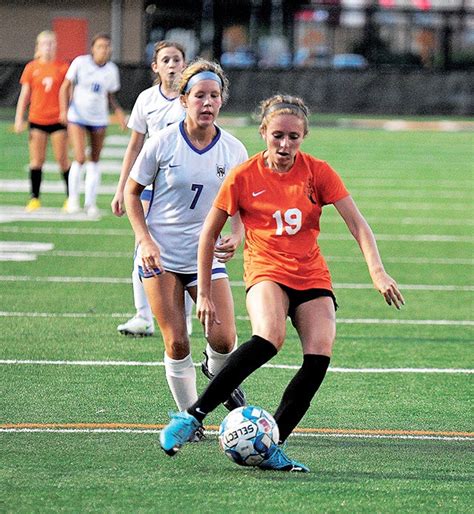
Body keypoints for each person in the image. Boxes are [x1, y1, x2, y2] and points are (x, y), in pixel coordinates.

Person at [159, 94, 405, 472]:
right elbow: (208, 234)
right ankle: (192, 415)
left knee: (319, 355)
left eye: (293, 137)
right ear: (263, 133)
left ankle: (273, 445)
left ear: (304, 136)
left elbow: (358, 223)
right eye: (277, 136)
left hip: (311, 273)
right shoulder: (243, 176)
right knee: (269, 337)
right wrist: (205, 293)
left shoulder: (318, 171)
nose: (285, 144)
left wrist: (377, 271)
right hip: (266, 269)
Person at [124, 59, 249, 429]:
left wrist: (238, 233)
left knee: (225, 339)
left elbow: (242, 205)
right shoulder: (161, 143)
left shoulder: (234, 150)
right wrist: (144, 240)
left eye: (214, 95)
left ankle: (213, 367)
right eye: (199, 96)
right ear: (183, 99)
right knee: (177, 343)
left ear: (222, 100)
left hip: (206, 257)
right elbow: (132, 194)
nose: (207, 102)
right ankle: (189, 417)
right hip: (160, 255)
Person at [111, 40, 191, 338]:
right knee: (142, 246)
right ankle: (142, 316)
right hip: (149, 184)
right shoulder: (146, 99)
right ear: (156, 66)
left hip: (183, 185)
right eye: (166, 60)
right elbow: (135, 146)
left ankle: (183, 316)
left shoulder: (192, 98)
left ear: (185, 64)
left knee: (184, 248)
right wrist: (122, 189)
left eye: (177, 59)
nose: (172, 65)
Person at [59, 32, 127, 217]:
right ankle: (72, 199)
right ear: (92, 48)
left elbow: (110, 95)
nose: (104, 50)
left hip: (99, 118)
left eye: (107, 46)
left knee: (95, 160)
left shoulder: (111, 69)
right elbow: (65, 86)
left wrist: (119, 113)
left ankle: (90, 202)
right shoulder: (80, 63)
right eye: (100, 46)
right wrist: (63, 110)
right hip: (78, 115)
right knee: (80, 157)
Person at [14, 30, 70, 212]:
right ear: (38, 47)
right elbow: (25, 95)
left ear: (56, 46)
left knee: (62, 159)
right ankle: (34, 198)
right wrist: (19, 118)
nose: (48, 46)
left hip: (58, 120)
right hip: (37, 119)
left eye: (51, 43)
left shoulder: (63, 67)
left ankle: (71, 198)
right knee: (37, 160)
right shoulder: (31, 68)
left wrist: (67, 111)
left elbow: (70, 93)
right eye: (45, 43)